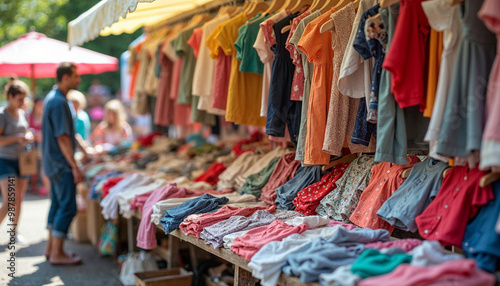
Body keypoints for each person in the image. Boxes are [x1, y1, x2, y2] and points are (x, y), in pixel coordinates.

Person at [42, 62, 87, 265]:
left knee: (58, 205)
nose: (79, 80)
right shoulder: (59, 101)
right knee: (68, 207)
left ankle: (51, 249)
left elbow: (67, 134)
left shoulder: (53, 99)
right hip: (60, 164)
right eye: (76, 76)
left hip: (53, 163)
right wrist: (74, 165)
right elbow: (62, 138)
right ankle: (57, 254)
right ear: (66, 77)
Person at [0, 80, 32, 243]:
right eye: (20, 99)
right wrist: (16, 138)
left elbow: (25, 131)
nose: (23, 102)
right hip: (5, 160)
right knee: (10, 200)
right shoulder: (2, 114)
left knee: (18, 198)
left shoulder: (22, 112)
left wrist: (27, 136)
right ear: (11, 97)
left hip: (22, 161)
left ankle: (14, 232)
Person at [29, 97, 51, 196]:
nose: (41, 106)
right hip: (31, 145)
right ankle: (34, 186)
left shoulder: (45, 116)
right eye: (39, 104)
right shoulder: (29, 115)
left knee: (43, 166)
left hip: (42, 145)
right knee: (31, 166)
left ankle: (46, 188)